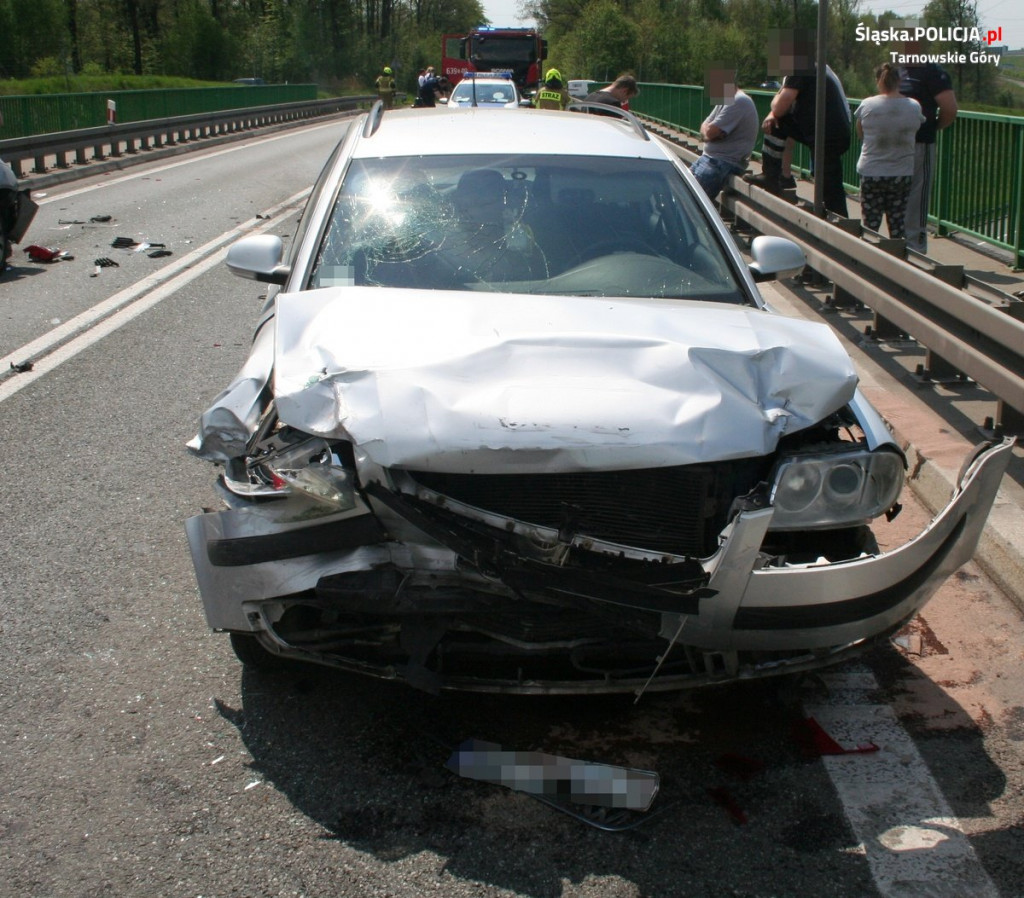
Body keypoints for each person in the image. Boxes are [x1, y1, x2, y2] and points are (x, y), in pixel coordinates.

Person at [751, 29, 852, 217]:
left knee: (829, 183)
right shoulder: (810, 66)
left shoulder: (799, 66)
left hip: (827, 133)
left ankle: (839, 223)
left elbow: (781, 105)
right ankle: (771, 176)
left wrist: (773, 110)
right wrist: (775, 112)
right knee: (777, 124)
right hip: (829, 131)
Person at [854, 62, 925, 240]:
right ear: (899, 81)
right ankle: (896, 261)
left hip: (872, 172)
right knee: (897, 225)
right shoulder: (914, 106)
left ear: (878, 80)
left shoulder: (867, 105)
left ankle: (868, 261)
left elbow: (860, 132)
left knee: (870, 225)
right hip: (901, 173)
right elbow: (917, 129)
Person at [898, 45, 958, 253]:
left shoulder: (933, 72)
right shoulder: (897, 70)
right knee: (896, 195)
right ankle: (896, 246)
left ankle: (915, 248)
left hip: (920, 143)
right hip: (895, 145)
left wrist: (932, 127)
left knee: (917, 196)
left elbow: (949, 109)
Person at [690, 64, 758, 201]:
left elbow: (709, 132)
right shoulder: (725, 99)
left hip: (722, 163)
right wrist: (709, 135)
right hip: (709, 159)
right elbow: (705, 127)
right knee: (677, 193)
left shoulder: (739, 100)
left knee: (691, 203)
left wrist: (709, 134)